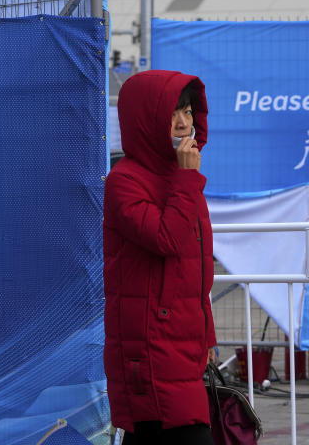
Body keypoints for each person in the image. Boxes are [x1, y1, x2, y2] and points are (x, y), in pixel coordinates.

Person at [103, 70, 217, 445]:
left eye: (187, 110)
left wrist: (208, 334)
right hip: (149, 346)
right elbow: (166, 239)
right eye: (172, 113)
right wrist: (187, 181)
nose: (184, 122)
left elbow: (196, 268)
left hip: (184, 343)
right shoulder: (125, 180)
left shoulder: (183, 176)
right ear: (147, 119)